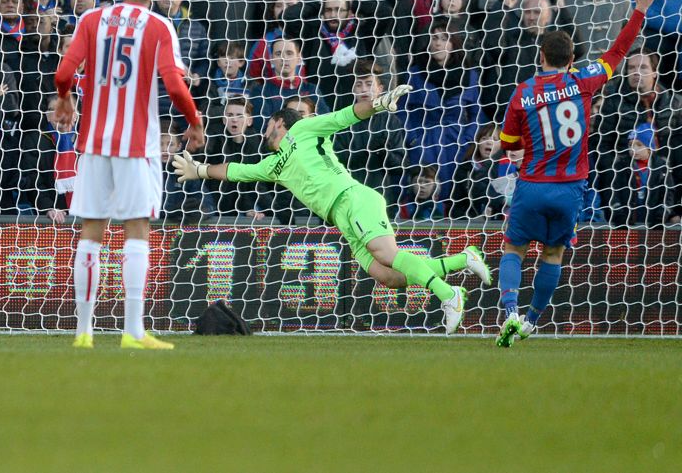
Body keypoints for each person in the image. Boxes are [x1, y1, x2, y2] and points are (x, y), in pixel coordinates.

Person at [172, 88, 490, 334]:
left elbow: (345, 116)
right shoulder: (273, 165)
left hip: (352, 198)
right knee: (387, 275)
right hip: (341, 217)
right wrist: (199, 170)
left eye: (268, 124)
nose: (264, 131)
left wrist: (378, 103)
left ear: (280, 122)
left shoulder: (304, 130)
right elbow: (236, 170)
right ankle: (466, 259)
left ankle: (449, 294)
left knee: (386, 253)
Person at [495, 0, 659, 347]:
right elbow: (618, 52)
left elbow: (507, 142)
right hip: (571, 188)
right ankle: (532, 322)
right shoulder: (584, 80)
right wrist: (640, 10)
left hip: (533, 184)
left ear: (541, 57)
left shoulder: (525, 91)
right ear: (571, 60)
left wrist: (519, 149)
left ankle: (509, 313)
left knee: (514, 249)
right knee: (552, 254)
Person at [51, 0, 206, 350]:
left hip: (94, 143)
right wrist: (194, 120)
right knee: (136, 230)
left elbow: (65, 69)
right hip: (136, 145)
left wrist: (66, 99)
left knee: (91, 232)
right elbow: (174, 83)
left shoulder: (92, 18)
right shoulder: (159, 26)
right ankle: (133, 331)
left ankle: (83, 332)